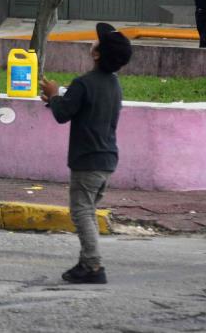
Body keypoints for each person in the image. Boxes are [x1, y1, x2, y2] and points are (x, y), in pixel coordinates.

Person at [40, 23, 132, 285]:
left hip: (87, 161)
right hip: (107, 160)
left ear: (97, 54)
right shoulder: (114, 84)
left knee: (82, 213)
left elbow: (62, 114)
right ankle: (85, 263)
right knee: (88, 211)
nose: (93, 42)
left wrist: (54, 95)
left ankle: (93, 265)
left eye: (96, 42)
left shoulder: (83, 83)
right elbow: (75, 109)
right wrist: (57, 100)